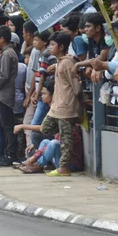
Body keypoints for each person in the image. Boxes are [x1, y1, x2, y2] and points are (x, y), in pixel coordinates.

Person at [40, 32, 81, 177]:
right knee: (46, 127)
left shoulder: (67, 63)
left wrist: (79, 101)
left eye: (53, 45)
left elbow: (76, 86)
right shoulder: (60, 63)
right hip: (57, 106)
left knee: (66, 138)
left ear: (61, 46)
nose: (50, 47)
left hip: (66, 106)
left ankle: (64, 167)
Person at [0, 25, 19, 167]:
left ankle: (10, 154)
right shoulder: (6, 52)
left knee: (8, 126)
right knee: (5, 125)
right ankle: (7, 153)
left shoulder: (8, 54)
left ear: (2, 39)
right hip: (3, 94)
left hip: (5, 94)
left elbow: (3, 75)